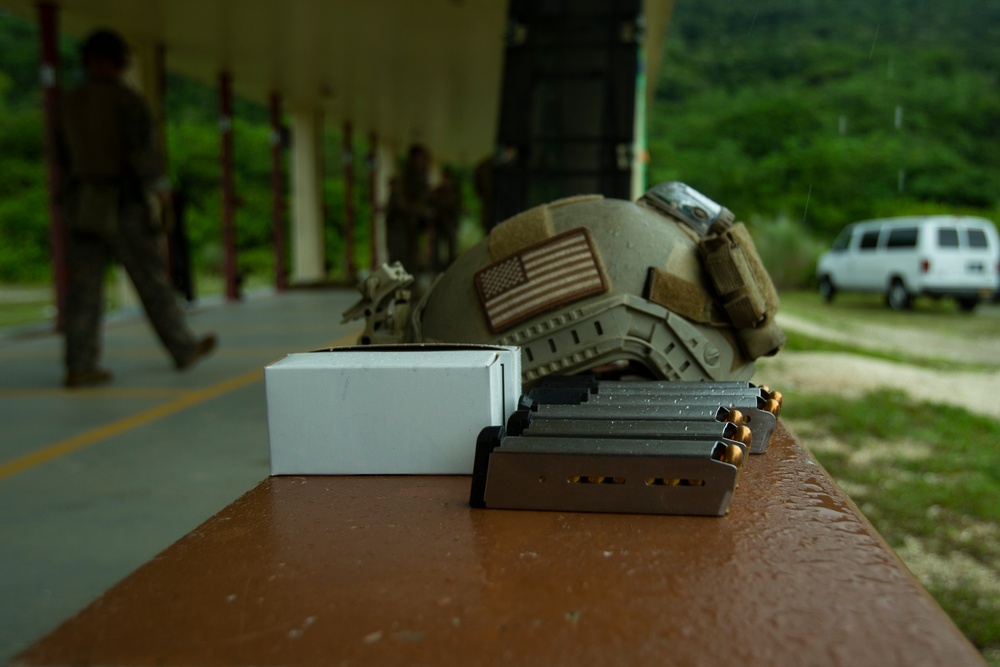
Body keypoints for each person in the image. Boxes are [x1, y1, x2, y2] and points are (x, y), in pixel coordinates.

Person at [57, 29, 216, 388]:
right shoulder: (125, 100)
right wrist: (158, 189)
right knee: (151, 279)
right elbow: (142, 152)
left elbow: (61, 157)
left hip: (82, 204)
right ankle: (182, 346)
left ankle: (79, 364)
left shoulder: (68, 101)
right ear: (113, 62)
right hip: (122, 201)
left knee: (83, 289)